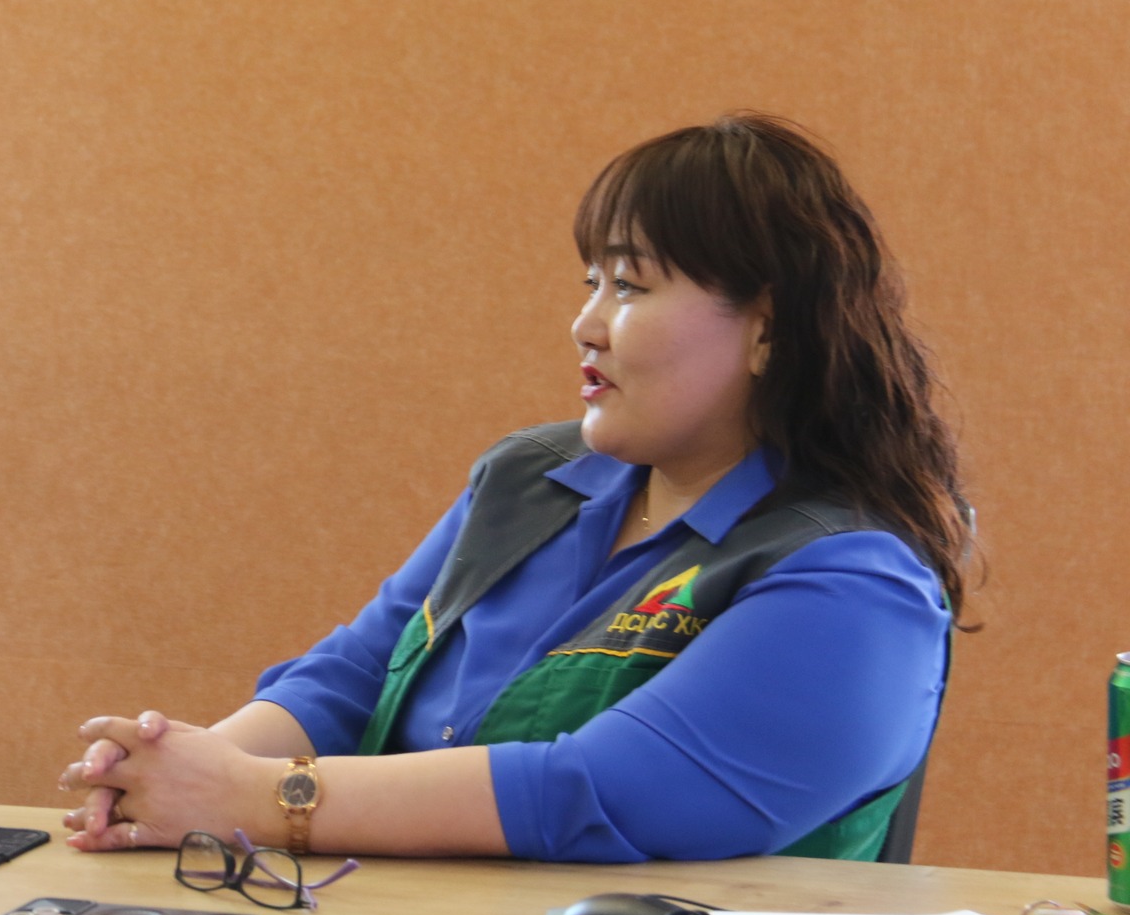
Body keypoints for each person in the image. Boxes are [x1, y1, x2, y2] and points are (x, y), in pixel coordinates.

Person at [61, 115, 965, 864]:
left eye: (630, 286)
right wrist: (176, 771)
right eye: (591, 282)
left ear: (766, 329)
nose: (586, 324)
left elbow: (598, 793)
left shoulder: (854, 578)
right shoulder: (529, 476)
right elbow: (354, 673)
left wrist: (258, 796)